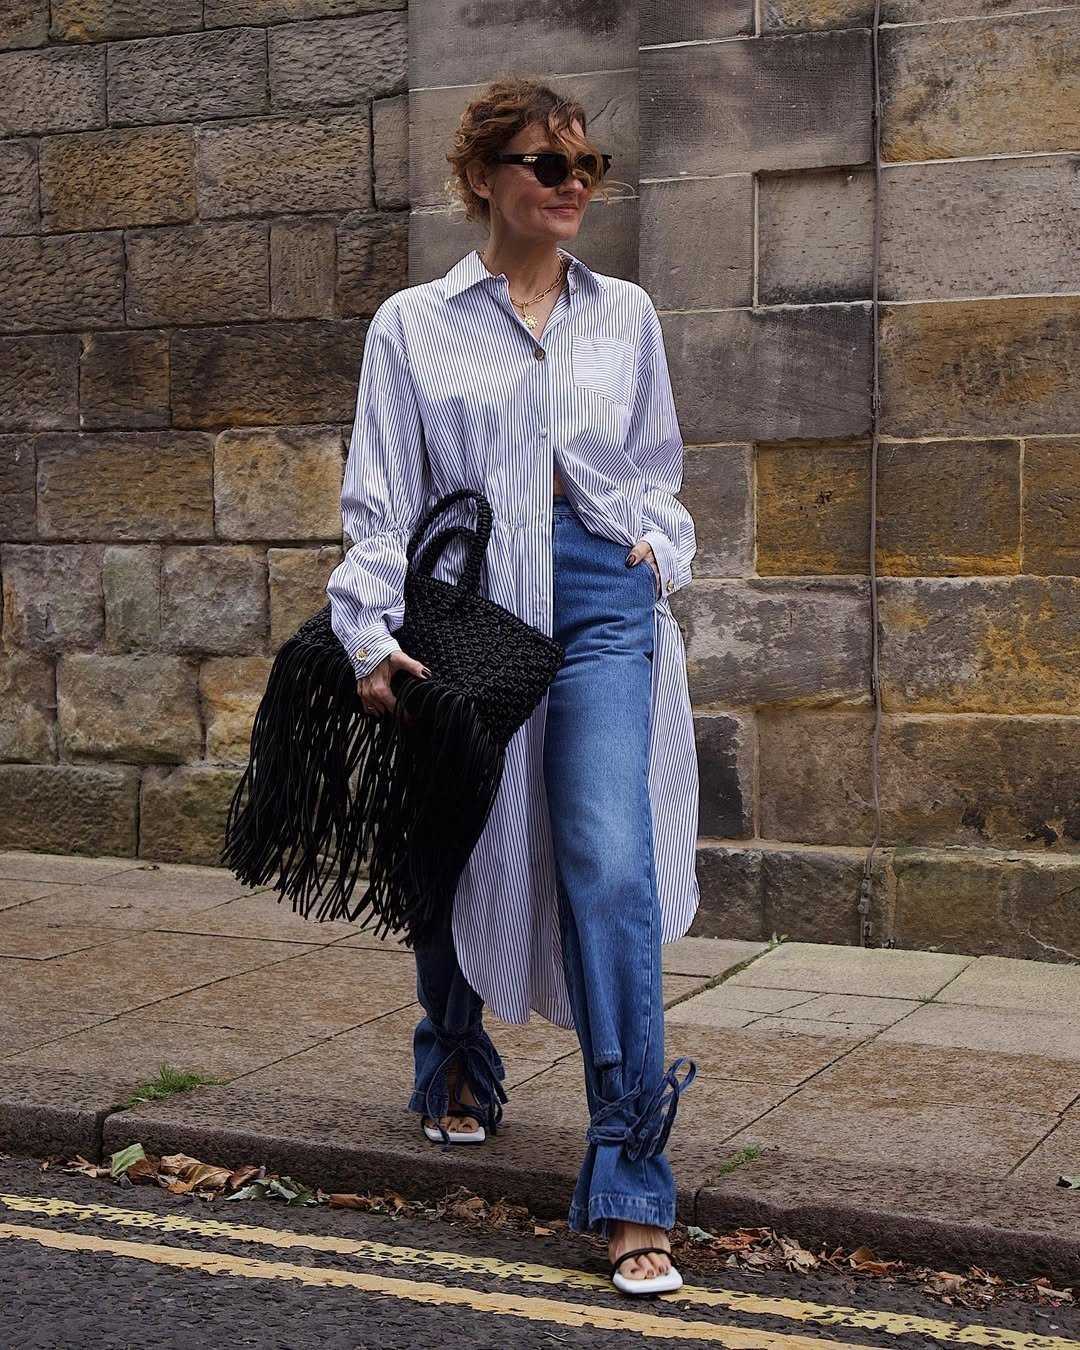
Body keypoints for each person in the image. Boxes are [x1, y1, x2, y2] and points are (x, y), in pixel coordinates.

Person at [325, 76, 700, 1296]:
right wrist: (369, 631)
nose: (575, 184)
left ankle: (632, 1170)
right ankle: (453, 1051)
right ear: (483, 177)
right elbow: (383, 495)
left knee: (608, 857)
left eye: (590, 164)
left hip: (597, 602)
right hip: (470, 606)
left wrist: (656, 547)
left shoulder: (624, 312)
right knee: (457, 837)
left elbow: (651, 468)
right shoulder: (413, 324)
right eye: (549, 164)